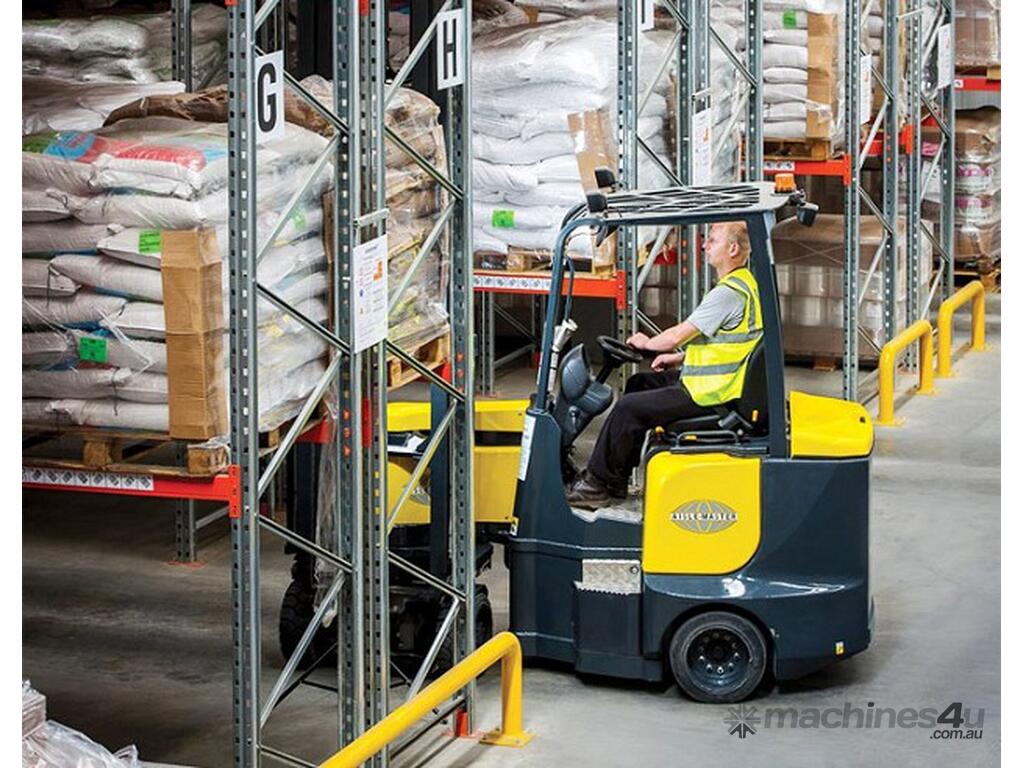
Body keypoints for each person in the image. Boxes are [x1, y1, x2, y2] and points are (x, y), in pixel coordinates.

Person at [566, 220, 763, 508]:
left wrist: (648, 343)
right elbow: (729, 345)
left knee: (627, 408)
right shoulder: (746, 284)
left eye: (712, 240)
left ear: (733, 249)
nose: (705, 245)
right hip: (720, 385)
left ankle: (596, 484)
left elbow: (677, 335)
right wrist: (680, 358)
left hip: (711, 394)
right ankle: (616, 480)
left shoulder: (728, 293)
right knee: (638, 384)